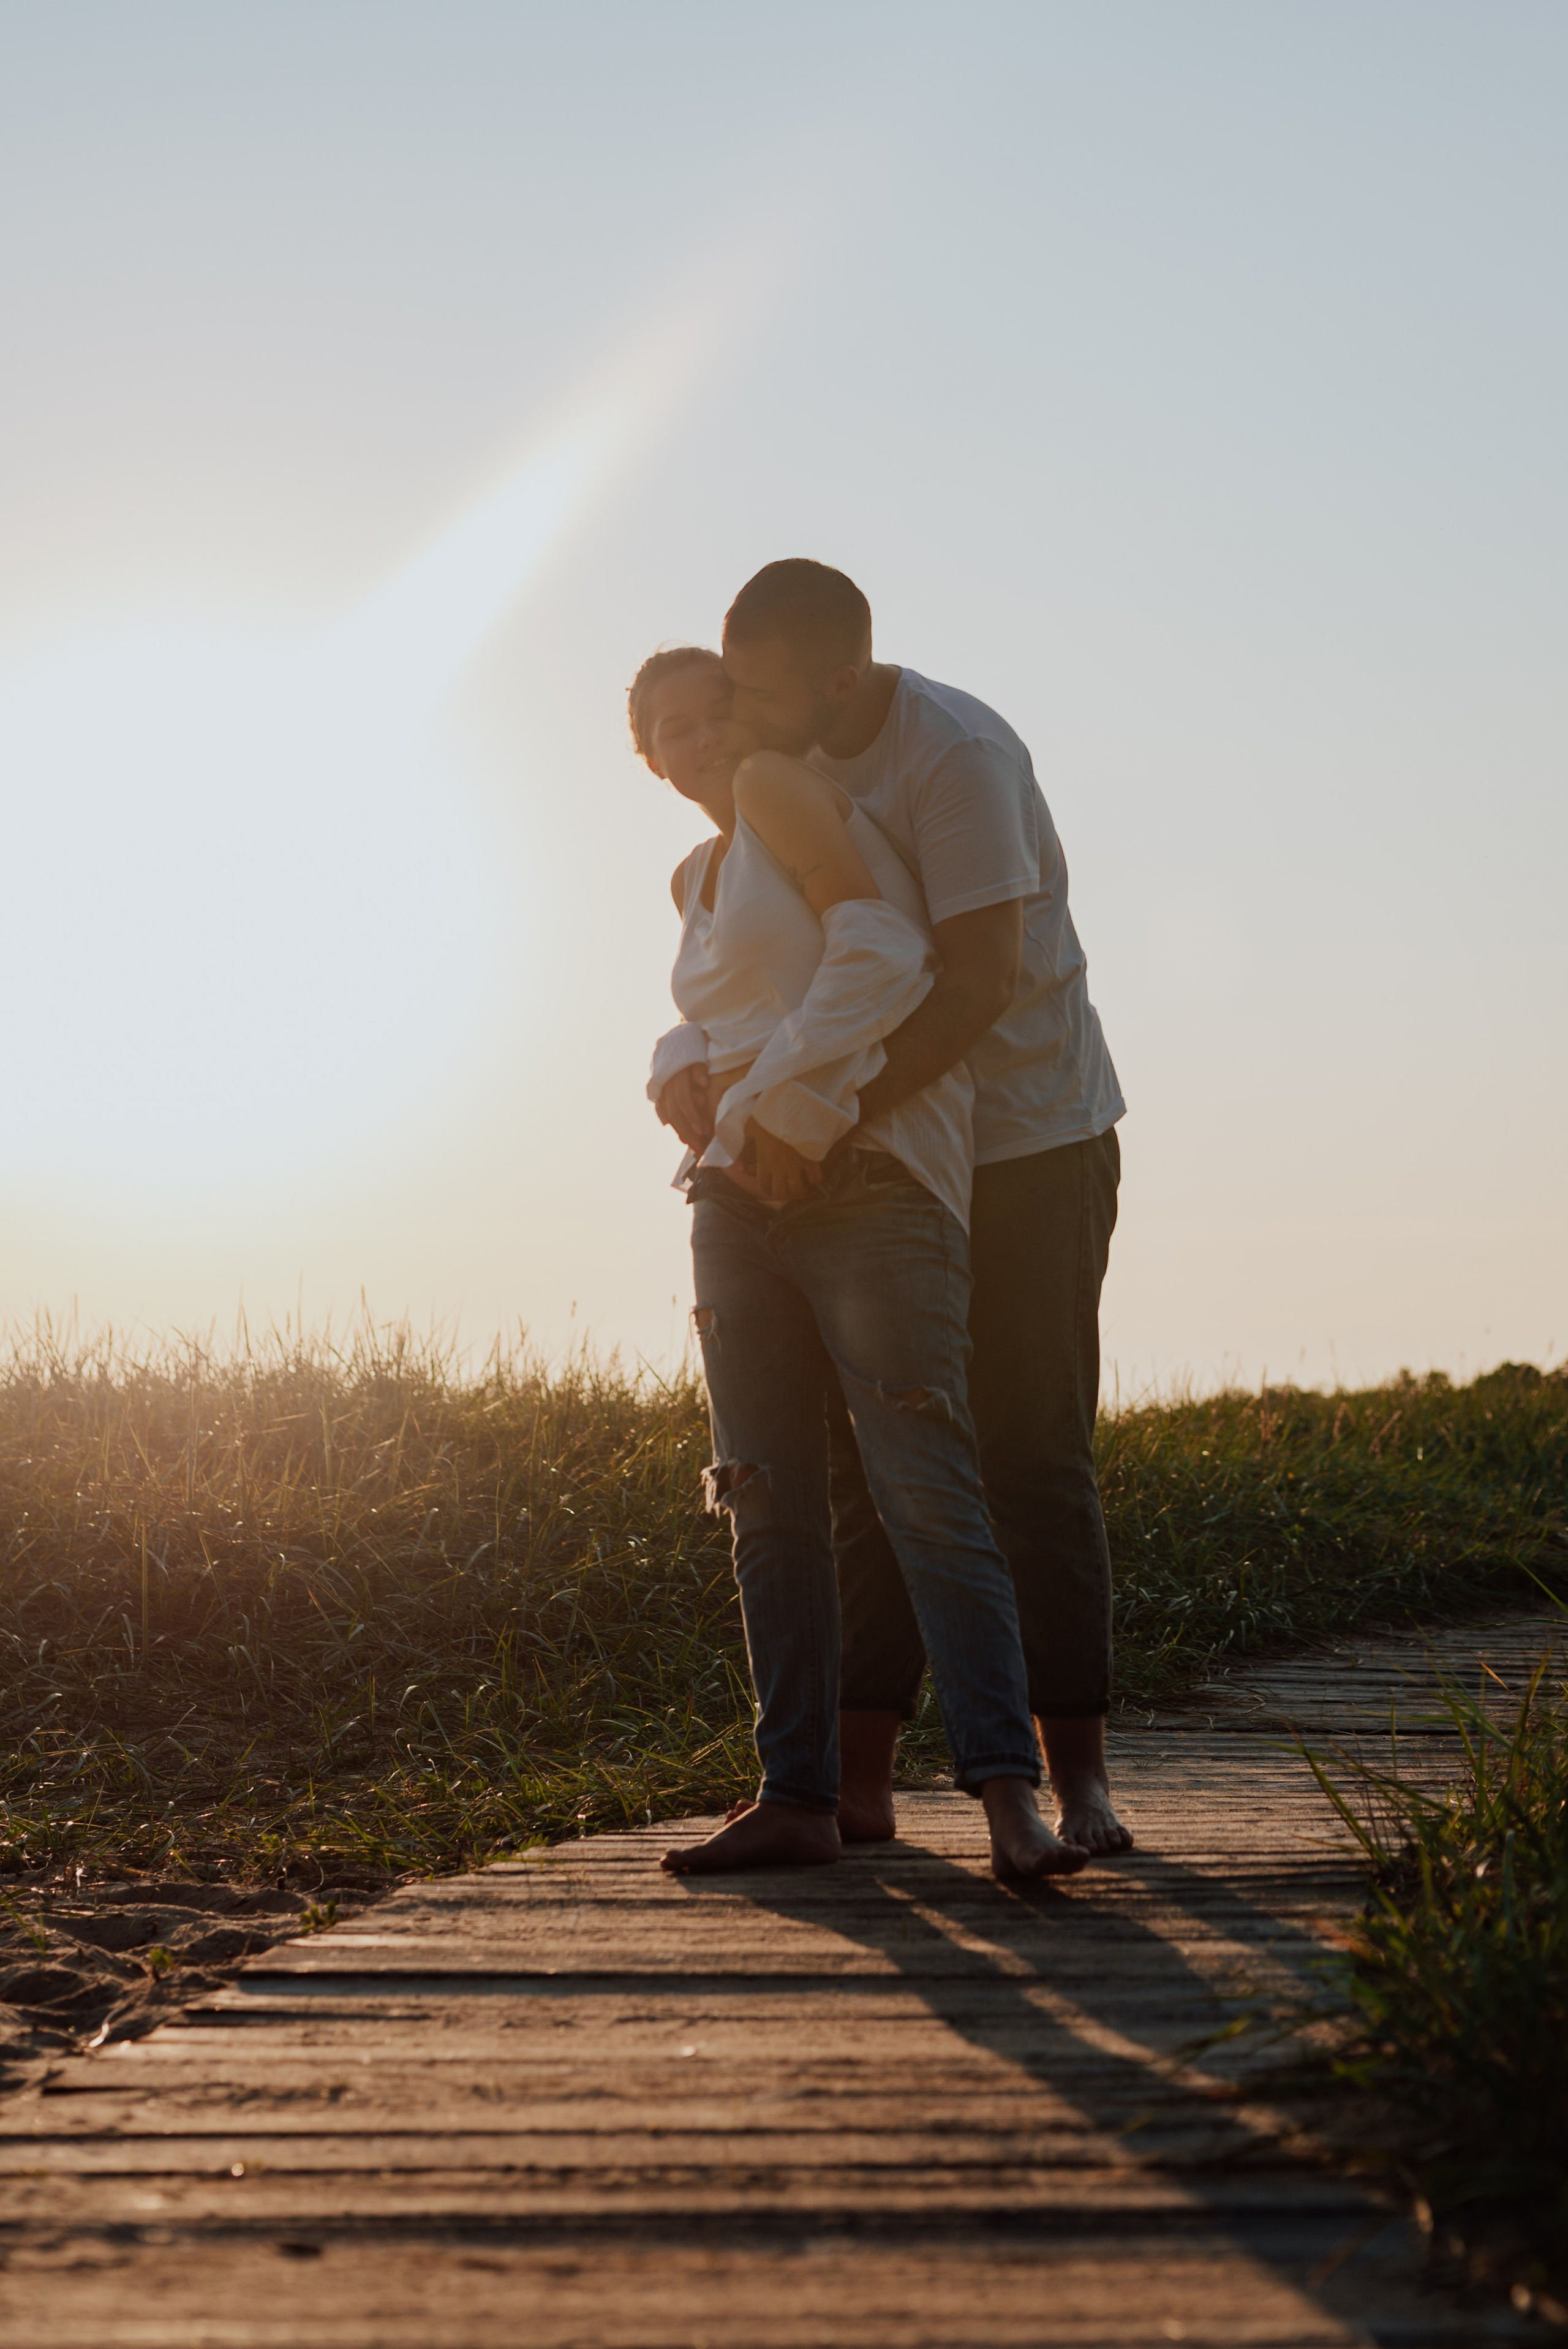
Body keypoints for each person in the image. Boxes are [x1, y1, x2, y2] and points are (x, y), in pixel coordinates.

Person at [655, 562, 1131, 1855]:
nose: (738, 717)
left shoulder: (953, 757)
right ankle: (845, 1787)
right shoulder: (780, 778)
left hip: (1024, 1137)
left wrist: (815, 1121)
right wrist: (693, 1062)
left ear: (841, 679)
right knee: (865, 1467)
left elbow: (971, 981)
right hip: (882, 1134)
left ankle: (1073, 1780)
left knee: (1027, 1453)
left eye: (752, 693)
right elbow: (768, 961)